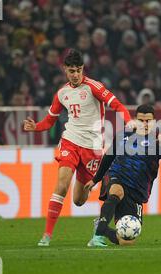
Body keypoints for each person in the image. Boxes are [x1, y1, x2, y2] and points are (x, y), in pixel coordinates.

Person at [23, 49, 134, 247]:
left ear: (83, 69)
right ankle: (46, 236)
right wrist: (35, 127)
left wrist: (129, 121)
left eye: (78, 70)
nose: (75, 74)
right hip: (70, 141)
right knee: (62, 183)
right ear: (65, 70)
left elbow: (117, 105)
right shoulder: (62, 93)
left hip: (92, 148)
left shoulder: (94, 87)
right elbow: (50, 120)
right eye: (71, 70)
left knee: (79, 200)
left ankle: (96, 225)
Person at [84, 104, 161, 247]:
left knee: (127, 241)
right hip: (116, 177)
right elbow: (108, 157)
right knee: (116, 191)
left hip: (136, 192)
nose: (144, 124)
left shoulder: (158, 143)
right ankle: (100, 231)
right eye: (141, 120)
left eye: (148, 121)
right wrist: (95, 180)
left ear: (154, 122)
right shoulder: (123, 136)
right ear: (135, 120)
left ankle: (102, 229)